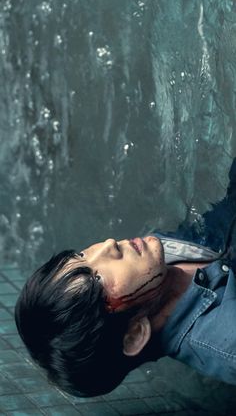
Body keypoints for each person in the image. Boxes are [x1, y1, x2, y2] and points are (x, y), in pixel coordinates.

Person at [15, 158, 236, 397]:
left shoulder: (159, 259)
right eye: (96, 278)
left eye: (81, 256)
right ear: (134, 335)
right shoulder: (226, 339)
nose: (107, 246)